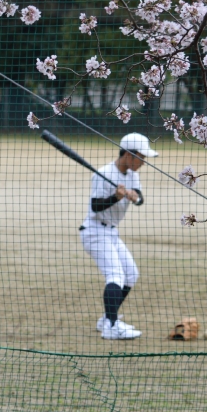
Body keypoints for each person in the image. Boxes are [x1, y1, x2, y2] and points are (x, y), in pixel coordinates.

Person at [79, 133, 158, 340]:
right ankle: (111, 327)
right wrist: (115, 197)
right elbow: (95, 207)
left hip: (112, 232)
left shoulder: (132, 175)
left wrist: (135, 196)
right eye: (141, 157)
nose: (143, 162)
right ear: (129, 155)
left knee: (131, 274)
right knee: (115, 275)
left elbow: (140, 199)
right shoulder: (103, 174)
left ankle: (107, 319)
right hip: (95, 231)